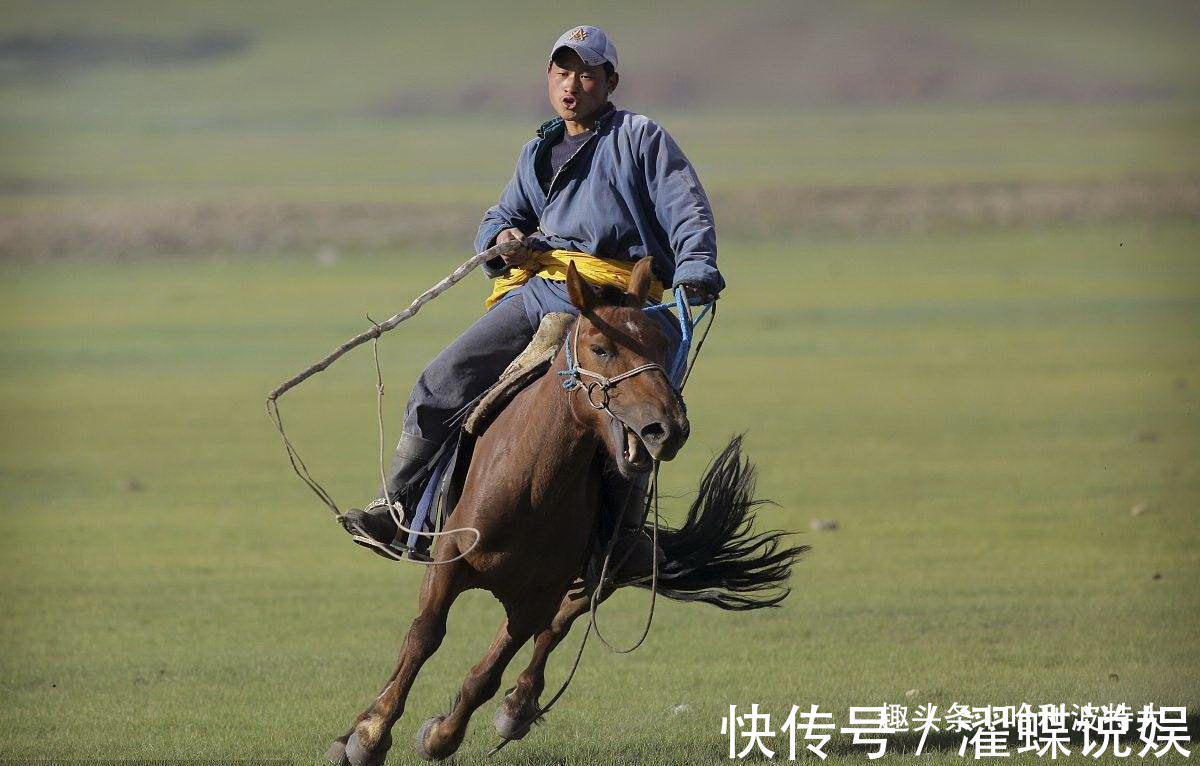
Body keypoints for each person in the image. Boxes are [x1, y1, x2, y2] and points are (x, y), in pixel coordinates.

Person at [341, 24, 724, 559]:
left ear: (610, 80)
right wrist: (502, 239)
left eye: (587, 73)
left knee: (642, 417)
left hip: (618, 306)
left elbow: (686, 206)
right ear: (549, 78)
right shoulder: (538, 150)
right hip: (542, 291)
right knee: (442, 380)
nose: (573, 85)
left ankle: (623, 540)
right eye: (563, 72)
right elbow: (503, 214)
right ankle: (401, 512)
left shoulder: (639, 138)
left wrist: (697, 267)